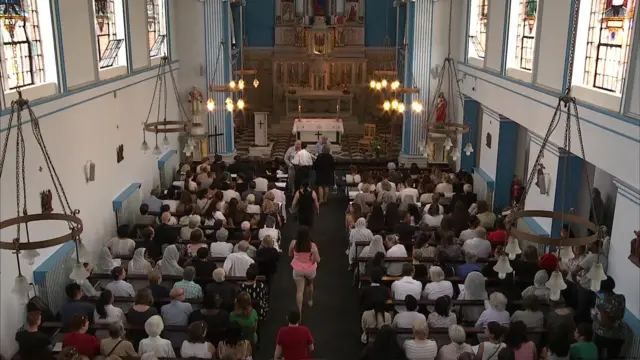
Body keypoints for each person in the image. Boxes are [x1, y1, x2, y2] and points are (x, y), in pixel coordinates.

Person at [592, 276, 626, 360]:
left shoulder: (602, 303)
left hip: (605, 336)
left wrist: (595, 318)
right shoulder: (621, 298)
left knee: (598, 355)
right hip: (619, 334)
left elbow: (606, 324)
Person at [289, 225, 321, 313]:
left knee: (299, 290)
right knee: (310, 284)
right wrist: (312, 259)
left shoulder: (293, 243)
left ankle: (299, 313)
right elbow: (318, 259)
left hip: (297, 270)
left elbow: (290, 254)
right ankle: (310, 300)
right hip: (310, 269)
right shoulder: (312, 246)